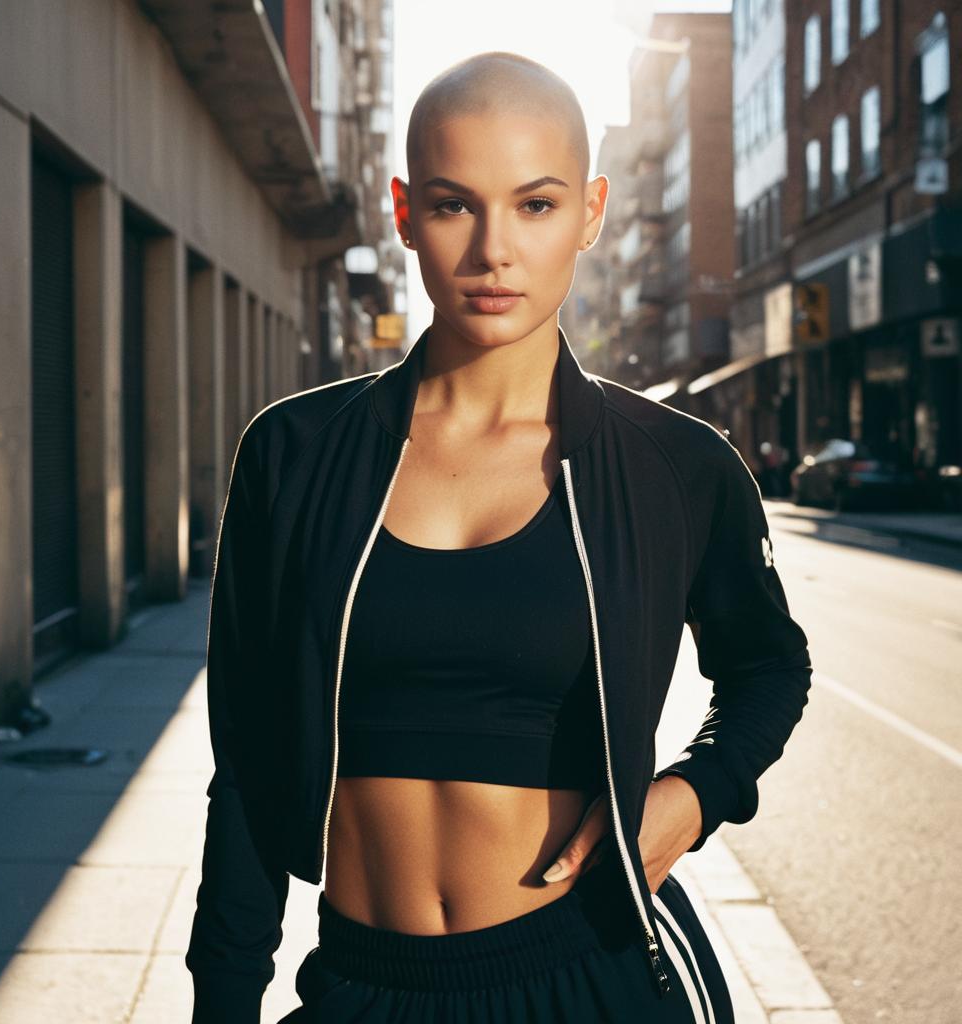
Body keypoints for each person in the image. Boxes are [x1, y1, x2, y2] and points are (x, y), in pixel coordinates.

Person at [185, 51, 813, 1024]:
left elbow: (768, 665)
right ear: (402, 211)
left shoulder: (673, 464)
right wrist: (222, 1002)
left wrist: (697, 792)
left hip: (585, 973)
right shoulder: (294, 454)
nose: (492, 252)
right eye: (452, 204)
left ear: (592, 212)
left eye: (535, 204)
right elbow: (251, 760)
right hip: (362, 984)